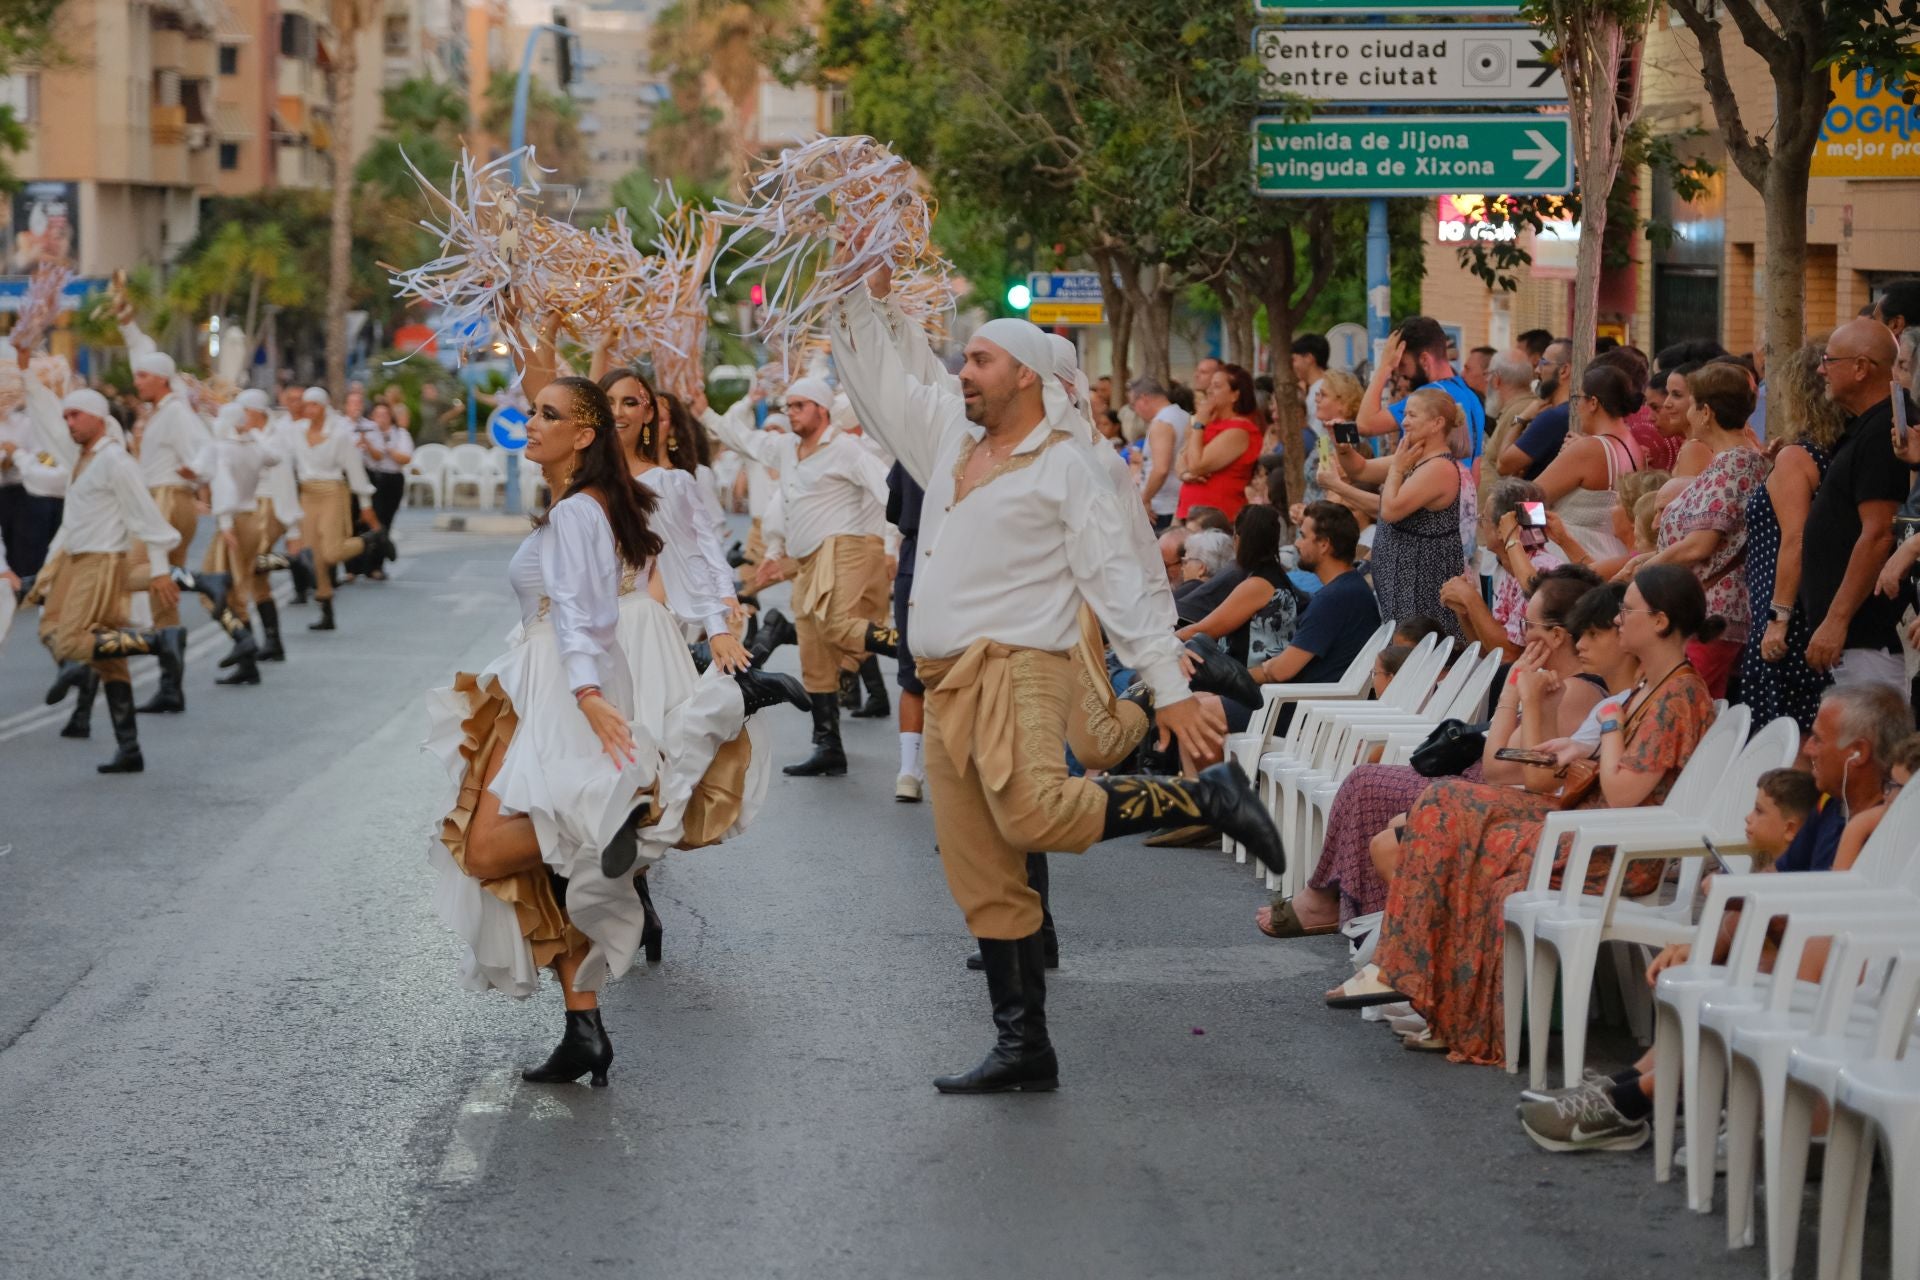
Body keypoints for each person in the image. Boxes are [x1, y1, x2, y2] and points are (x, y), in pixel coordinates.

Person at [830, 274, 1283, 1094]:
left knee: (1035, 809)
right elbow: (878, 381)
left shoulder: (1069, 464)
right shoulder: (949, 444)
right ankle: (1023, 1045)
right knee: (979, 866)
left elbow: (1119, 575)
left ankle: (1206, 801)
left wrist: (1168, 689)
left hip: (1021, 669)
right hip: (946, 684)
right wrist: (856, 295)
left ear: (1026, 376)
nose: (960, 372)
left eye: (978, 359)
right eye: (961, 358)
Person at [1333, 566, 1719, 1067]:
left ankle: (1417, 982)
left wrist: (1605, 731)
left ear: (1662, 621)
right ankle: (1415, 980)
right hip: (1588, 829)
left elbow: (1623, 792)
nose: (1619, 619)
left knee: (1463, 833)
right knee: (1444, 800)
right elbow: (1570, 765)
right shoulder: (1652, 686)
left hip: (1617, 850)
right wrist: (1569, 738)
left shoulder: (1680, 696)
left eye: (1628, 611)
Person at [1520, 683, 1910, 1151]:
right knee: (1723, 951)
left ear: (1858, 754)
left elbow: (1833, 919)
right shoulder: (1832, 808)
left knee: (1745, 967)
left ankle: (1630, 1102)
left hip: (1863, 988)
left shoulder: (1877, 829)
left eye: (1819, 739)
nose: (1808, 748)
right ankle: (1625, 1091)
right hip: (1809, 964)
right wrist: (1700, 948)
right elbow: (1775, 892)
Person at [423, 375, 668, 1088]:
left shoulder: (575, 515)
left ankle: (614, 816)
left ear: (582, 437)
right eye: (532, 411)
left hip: (558, 686)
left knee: (487, 849)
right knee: (542, 870)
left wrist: (587, 692)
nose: (530, 422)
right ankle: (583, 1025)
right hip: (553, 679)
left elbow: (580, 611)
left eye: (548, 416)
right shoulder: (582, 505)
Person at [1266, 570, 1611, 937]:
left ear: (1557, 635)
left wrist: (1514, 695)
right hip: (1483, 787)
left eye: (1527, 624)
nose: (1520, 634)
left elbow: (1500, 769)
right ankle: (1343, 903)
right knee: (1368, 780)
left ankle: (1350, 910)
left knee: (1368, 785)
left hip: (1499, 799)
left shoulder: (1569, 692)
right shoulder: (1553, 682)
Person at [700, 376, 895, 778]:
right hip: (805, 558)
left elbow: (887, 492)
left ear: (822, 410)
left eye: (799, 406)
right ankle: (828, 746)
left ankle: (907, 646)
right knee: (812, 647)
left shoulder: (847, 450)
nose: (791, 413)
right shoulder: (787, 449)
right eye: (788, 406)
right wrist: (702, 409)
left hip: (845, 547)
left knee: (838, 625)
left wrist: (893, 546)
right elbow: (745, 442)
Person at [37, 389, 188, 773]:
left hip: (101, 563)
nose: (69, 423)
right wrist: (25, 375)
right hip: (77, 559)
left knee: (71, 640)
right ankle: (130, 749)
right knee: (102, 656)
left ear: (98, 418)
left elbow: (147, 518)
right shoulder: (84, 458)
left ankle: (158, 640)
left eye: (76, 416)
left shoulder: (116, 461)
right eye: (66, 416)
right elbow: (46, 425)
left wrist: (157, 569)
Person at [1181, 502, 1382, 735]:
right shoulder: (1348, 589)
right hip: (1304, 703)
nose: (1296, 543)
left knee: (1194, 711)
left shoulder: (1335, 598)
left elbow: (1280, 671)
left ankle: (1204, 773)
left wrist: (1229, 681)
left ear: (1324, 545)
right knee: (1197, 701)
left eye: (1303, 536)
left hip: (1301, 710)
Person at [1633, 363, 1767, 697]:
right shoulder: (1729, 459)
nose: (1685, 412)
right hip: (1700, 610)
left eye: (1689, 403)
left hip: (1713, 615)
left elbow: (1700, 545)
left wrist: (1647, 569)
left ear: (1705, 412)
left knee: (1686, 707)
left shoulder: (1738, 462)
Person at [1803, 318, 1912, 685]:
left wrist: (1837, 620)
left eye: (1829, 361)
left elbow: (1879, 532)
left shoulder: (1886, 431)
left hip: (1865, 640)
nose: (1821, 370)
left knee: (1865, 740)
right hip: (1853, 642)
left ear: (1862, 368)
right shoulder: (1867, 427)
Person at [1745, 344, 1845, 733]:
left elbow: (1796, 540)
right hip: (1813, 604)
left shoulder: (1798, 457)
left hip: (1785, 609)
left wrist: (1778, 619)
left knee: (1782, 733)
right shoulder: (1833, 452)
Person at [1319, 386, 1467, 640]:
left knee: (1419, 653)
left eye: (1412, 415)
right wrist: (1343, 448)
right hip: (1401, 584)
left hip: (1422, 584)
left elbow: (1389, 510)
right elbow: (1360, 470)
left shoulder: (1439, 467)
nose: (1404, 422)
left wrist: (1397, 470)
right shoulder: (1414, 457)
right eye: (1405, 414)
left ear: (1437, 423)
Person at [181, 398, 278, 686]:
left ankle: (242, 639)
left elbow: (220, 483)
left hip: (233, 522)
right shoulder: (254, 446)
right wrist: (254, 434)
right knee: (240, 589)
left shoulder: (221, 448)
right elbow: (276, 458)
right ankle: (248, 661)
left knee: (212, 589)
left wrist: (223, 524)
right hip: (253, 517)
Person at [293, 387, 392, 633]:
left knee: (331, 552)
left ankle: (370, 540)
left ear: (323, 407)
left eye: (313, 405)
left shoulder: (339, 435)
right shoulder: (296, 432)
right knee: (314, 554)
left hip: (332, 492)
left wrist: (366, 506)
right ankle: (326, 608)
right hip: (307, 493)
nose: (308, 410)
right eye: (306, 405)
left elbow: (355, 469)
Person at [1536, 365, 1647, 561]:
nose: (1577, 408)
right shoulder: (1635, 448)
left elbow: (1528, 497)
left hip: (1572, 557)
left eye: (1578, 399)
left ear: (1593, 402)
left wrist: (1531, 539)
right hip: (1615, 555)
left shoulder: (1590, 448)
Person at [1174, 504, 1295, 666]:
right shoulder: (1276, 576)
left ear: (1238, 539)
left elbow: (1206, 629)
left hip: (1249, 679)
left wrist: (1164, 639)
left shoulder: (1257, 584)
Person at [1357, 316, 1487, 460]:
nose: (1399, 372)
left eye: (1402, 364)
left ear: (1424, 360)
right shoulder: (1470, 396)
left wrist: (1384, 366)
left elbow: (1364, 425)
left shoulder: (1428, 397)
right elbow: (1475, 472)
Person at [1176, 363, 1262, 522]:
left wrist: (1199, 425)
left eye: (1216, 386)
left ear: (1235, 395)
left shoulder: (1239, 429)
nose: (1209, 391)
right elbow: (1181, 457)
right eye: (1210, 385)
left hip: (1216, 516)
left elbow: (1197, 464)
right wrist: (1184, 474)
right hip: (1189, 512)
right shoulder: (1209, 422)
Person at [1498, 339, 1572, 479]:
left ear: (1564, 371)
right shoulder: (1570, 412)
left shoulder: (1554, 417)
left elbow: (1503, 465)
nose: (1537, 370)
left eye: (1543, 363)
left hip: (1537, 500)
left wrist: (1521, 418)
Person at [354, 400, 412, 576]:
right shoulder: (367, 433)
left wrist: (388, 449)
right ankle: (361, 564)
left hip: (392, 478)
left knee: (385, 520)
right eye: (378, 415)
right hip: (372, 477)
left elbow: (405, 457)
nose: (381, 419)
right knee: (369, 520)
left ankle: (377, 565)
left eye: (385, 415)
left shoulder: (399, 434)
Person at [1128, 377, 1190, 531]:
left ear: (1143, 399)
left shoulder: (1162, 422)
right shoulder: (1182, 415)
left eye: (1133, 405)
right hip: (1174, 501)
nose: (1135, 411)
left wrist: (1145, 498)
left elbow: (1161, 468)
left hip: (1163, 507)